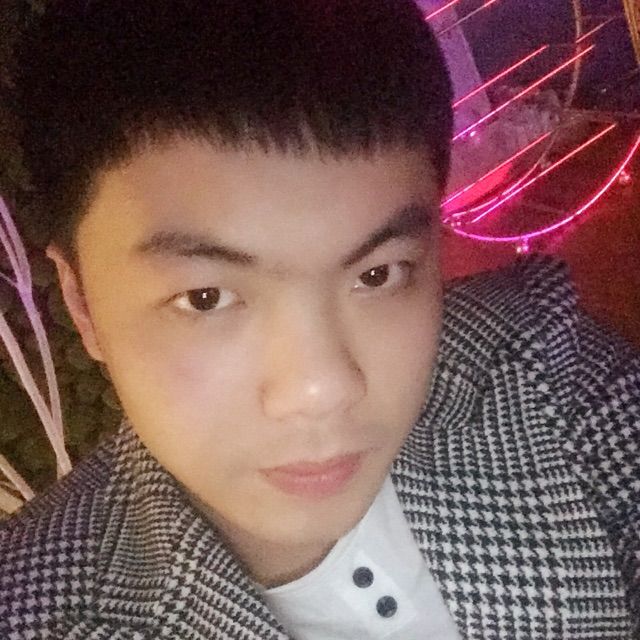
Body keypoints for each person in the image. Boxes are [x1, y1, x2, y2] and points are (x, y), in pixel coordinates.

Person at [1, 1, 639, 638]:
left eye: (377, 275)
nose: (322, 388)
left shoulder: (535, 358)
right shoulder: (37, 612)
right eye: (206, 297)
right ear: (83, 304)